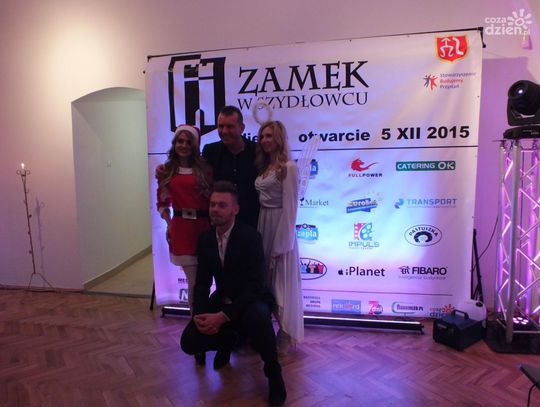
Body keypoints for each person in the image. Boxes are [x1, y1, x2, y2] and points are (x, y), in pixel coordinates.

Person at [180, 181, 287, 406]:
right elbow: (202, 284)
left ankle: (274, 374)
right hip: (224, 298)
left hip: (250, 300)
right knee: (189, 342)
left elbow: (255, 286)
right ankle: (230, 341)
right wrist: (199, 316)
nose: (215, 210)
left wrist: (222, 317)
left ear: (235, 209)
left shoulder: (250, 237)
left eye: (222, 205)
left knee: (258, 317)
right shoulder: (206, 239)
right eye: (212, 204)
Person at [254, 120, 304, 355]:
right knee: (266, 282)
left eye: (270, 136)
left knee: (280, 282)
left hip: (280, 228)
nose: (265, 140)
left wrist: (281, 245)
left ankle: (284, 333)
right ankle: (269, 331)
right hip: (263, 223)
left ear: (279, 138)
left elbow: (291, 209)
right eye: (262, 136)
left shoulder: (289, 167)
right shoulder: (264, 166)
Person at [156, 124, 212, 312]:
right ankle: (196, 319)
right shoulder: (166, 171)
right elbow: (162, 202)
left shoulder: (205, 169)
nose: (184, 145)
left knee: (207, 279)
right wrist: (169, 224)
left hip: (204, 228)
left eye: (189, 142)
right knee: (193, 281)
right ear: (175, 143)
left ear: (194, 145)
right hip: (182, 230)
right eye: (180, 141)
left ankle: (208, 318)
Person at [202, 105, 260, 228]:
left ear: (242, 128)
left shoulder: (257, 151)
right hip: (219, 224)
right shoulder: (210, 151)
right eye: (221, 126)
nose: (224, 131)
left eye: (229, 126)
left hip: (252, 222)